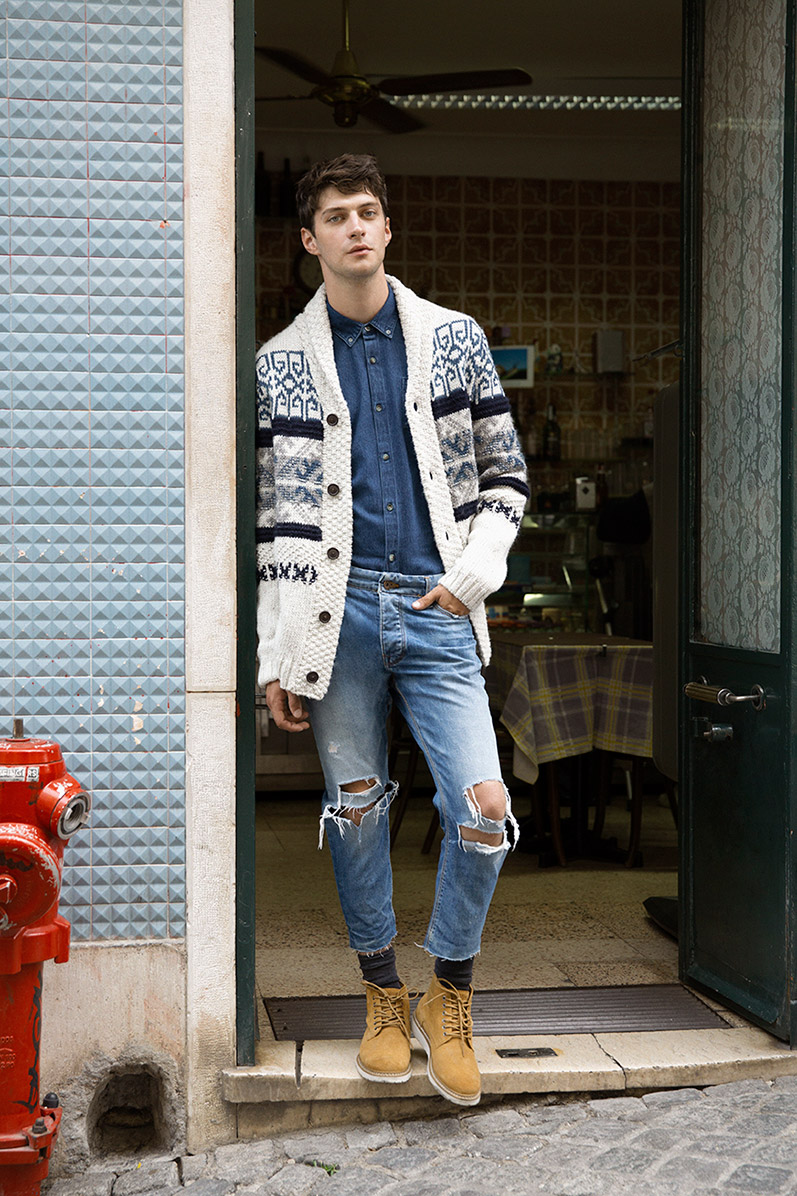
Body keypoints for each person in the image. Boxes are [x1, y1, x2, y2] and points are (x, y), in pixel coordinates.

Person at [256, 153, 528, 1107]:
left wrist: (472, 575)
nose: (357, 228)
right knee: (360, 812)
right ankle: (381, 993)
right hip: (335, 618)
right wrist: (275, 655)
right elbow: (277, 522)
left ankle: (448, 993)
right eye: (337, 216)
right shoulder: (280, 362)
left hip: (435, 602)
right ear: (310, 240)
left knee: (482, 806)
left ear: (387, 226)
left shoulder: (453, 339)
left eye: (369, 211)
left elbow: (506, 475)